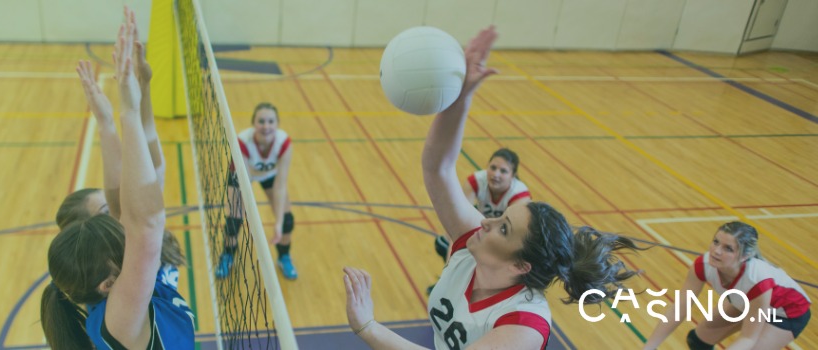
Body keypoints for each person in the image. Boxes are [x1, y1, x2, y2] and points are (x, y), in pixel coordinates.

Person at [343, 26, 641, 350]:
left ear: (519, 266)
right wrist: (463, 94)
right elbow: (437, 167)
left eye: (503, 228)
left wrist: (368, 327)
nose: (486, 221)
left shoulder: (524, 324)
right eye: (502, 218)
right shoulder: (475, 245)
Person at [40, 9, 193, 350]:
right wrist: (127, 110)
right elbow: (147, 222)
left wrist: (119, 114)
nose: (121, 215)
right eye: (110, 215)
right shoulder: (120, 318)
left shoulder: (113, 287)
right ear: (108, 283)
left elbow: (145, 179)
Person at [643, 221, 811, 350]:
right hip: (746, 303)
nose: (716, 251)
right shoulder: (703, 264)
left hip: (786, 313)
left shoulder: (756, 281)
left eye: (728, 248)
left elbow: (748, 338)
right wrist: (649, 347)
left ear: (745, 255)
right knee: (698, 340)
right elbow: (678, 309)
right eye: (715, 242)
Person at [429, 148, 531, 293]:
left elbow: (516, 239)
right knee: (443, 244)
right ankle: (451, 282)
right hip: (483, 227)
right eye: (493, 168)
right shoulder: (475, 181)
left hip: (504, 237)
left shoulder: (520, 196)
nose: (496, 174)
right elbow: (458, 222)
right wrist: (449, 269)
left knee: (488, 258)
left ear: (513, 176)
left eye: (503, 171)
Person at [215, 102, 297, 280]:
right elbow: (244, 185)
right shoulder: (242, 142)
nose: (266, 126)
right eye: (261, 121)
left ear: (277, 123)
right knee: (233, 221)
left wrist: (278, 222)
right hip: (242, 175)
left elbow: (280, 186)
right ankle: (227, 255)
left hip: (269, 175)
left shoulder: (284, 143)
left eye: (270, 121)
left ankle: (284, 256)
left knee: (288, 221)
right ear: (254, 123)